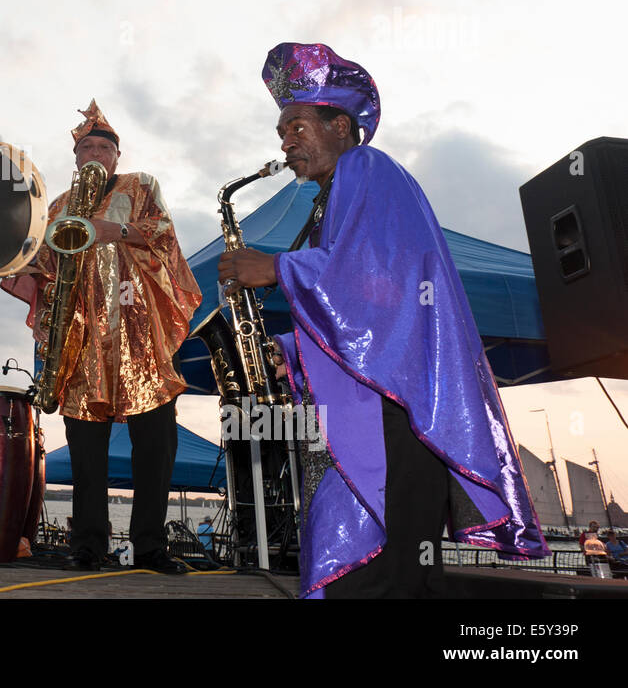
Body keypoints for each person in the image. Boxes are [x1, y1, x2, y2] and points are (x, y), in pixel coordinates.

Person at [218, 43, 548, 598]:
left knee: (382, 575)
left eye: (297, 125)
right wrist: (290, 351)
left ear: (340, 124)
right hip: (375, 408)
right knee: (385, 573)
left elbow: (380, 279)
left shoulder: (367, 168)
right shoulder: (336, 194)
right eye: (281, 132)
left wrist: (276, 266)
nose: (285, 142)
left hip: (389, 416)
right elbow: (365, 307)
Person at [2, 101, 200, 573]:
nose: (94, 151)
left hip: (139, 336)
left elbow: (165, 234)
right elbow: (40, 266)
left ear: (116, 155)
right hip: (82, 342)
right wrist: (13, 269)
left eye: (103, 146)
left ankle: (151, 547)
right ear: (76, 158)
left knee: (155, 446)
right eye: (86, 146)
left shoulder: (141, 185)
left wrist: (118, 229)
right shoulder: (57, 206)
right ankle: (87, 546)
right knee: (86, 448)